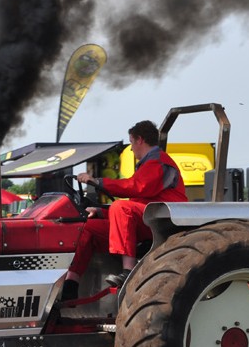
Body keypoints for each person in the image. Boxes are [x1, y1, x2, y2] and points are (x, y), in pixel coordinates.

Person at [62, 120, 187, 300]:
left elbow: (138, 188)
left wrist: (98, 182)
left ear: (139, 140)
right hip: (147, 217)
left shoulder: (159, 162)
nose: (131, 148)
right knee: (88, 228)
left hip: (162, 220)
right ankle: (71, 284)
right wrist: (101, 212)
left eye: (131, 143)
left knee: (120, 207)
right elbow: (138, 202)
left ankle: (128, 270)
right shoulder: (147, 164)